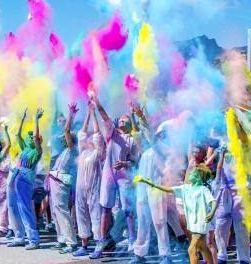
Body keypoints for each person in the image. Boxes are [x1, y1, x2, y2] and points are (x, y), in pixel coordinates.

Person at [89, 90, 140, 259]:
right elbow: (104, 116)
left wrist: (125, 163)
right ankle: (101, 241)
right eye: (122, 119)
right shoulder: (112, 133)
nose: (123, 120)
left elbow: (135, 161)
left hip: (124, 175)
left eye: (126, 119)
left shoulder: (132, 140)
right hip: (109, 173)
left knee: (127, 209)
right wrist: (97, 102)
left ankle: (132, 240)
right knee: (105, 207)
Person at [130, 105, 182, 264]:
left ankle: (165, 254)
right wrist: (135, 116)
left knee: (160, 221)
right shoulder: (146, 151)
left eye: (162, 134)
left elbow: (149, 136)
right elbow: (139, 135)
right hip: (142, 189)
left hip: (156, 188)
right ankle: (139, 253)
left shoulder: (164, 150)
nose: (159, 136)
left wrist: (142, 119)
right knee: (143, 221)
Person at [137, 164, 217, 264]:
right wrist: (151, 184)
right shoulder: (185, 188)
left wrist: (212, 212)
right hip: (193, 225)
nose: (190, 173)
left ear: (198, 177)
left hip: (201, 224)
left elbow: (213, 201)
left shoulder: (203, 190)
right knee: (203, 247)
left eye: (193, 172)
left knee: (191, 250)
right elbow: (168, 189)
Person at [6, 108, 44, 250]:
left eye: (32, 137)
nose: (29, 138)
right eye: (28, 137)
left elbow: (35, 136)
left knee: (25, 208)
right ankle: (19, 237)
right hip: (14, 178)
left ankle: (34, 239)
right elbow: (17, 134)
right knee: (13, 207)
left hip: (24, 179)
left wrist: (35, 119)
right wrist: (23, 118)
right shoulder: (24, 149)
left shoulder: (37, 151)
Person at [73, 102, 106, 256]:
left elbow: (98, 135)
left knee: (96, 216)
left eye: (91, 139)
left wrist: (94, 113)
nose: (88, 140)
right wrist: (87, 112)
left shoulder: (98, 155)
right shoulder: (83, 152)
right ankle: (84, 245)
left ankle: (99, 244)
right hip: (80, 189)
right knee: (81, 215)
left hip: (94, 189)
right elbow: (82, 133)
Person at [48, 103, 79, 253]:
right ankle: (61, 239)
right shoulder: (64, 151)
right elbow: (61, 131)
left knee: (62, 211)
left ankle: (71, 242)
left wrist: (71, 115)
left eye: (68, 138)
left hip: (61, 182)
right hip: (55, 180)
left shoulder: (73, 150)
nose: (64, 138)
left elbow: (66, 130)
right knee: (56, 211)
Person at [212, 143, 251, 264]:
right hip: (223, 192)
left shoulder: (241, 148)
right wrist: (219, 153)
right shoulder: (219, 147)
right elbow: (212, 165)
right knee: (220, 226)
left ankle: (244, 259)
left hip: (240, 191)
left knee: (241, 227)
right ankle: (222, 256)